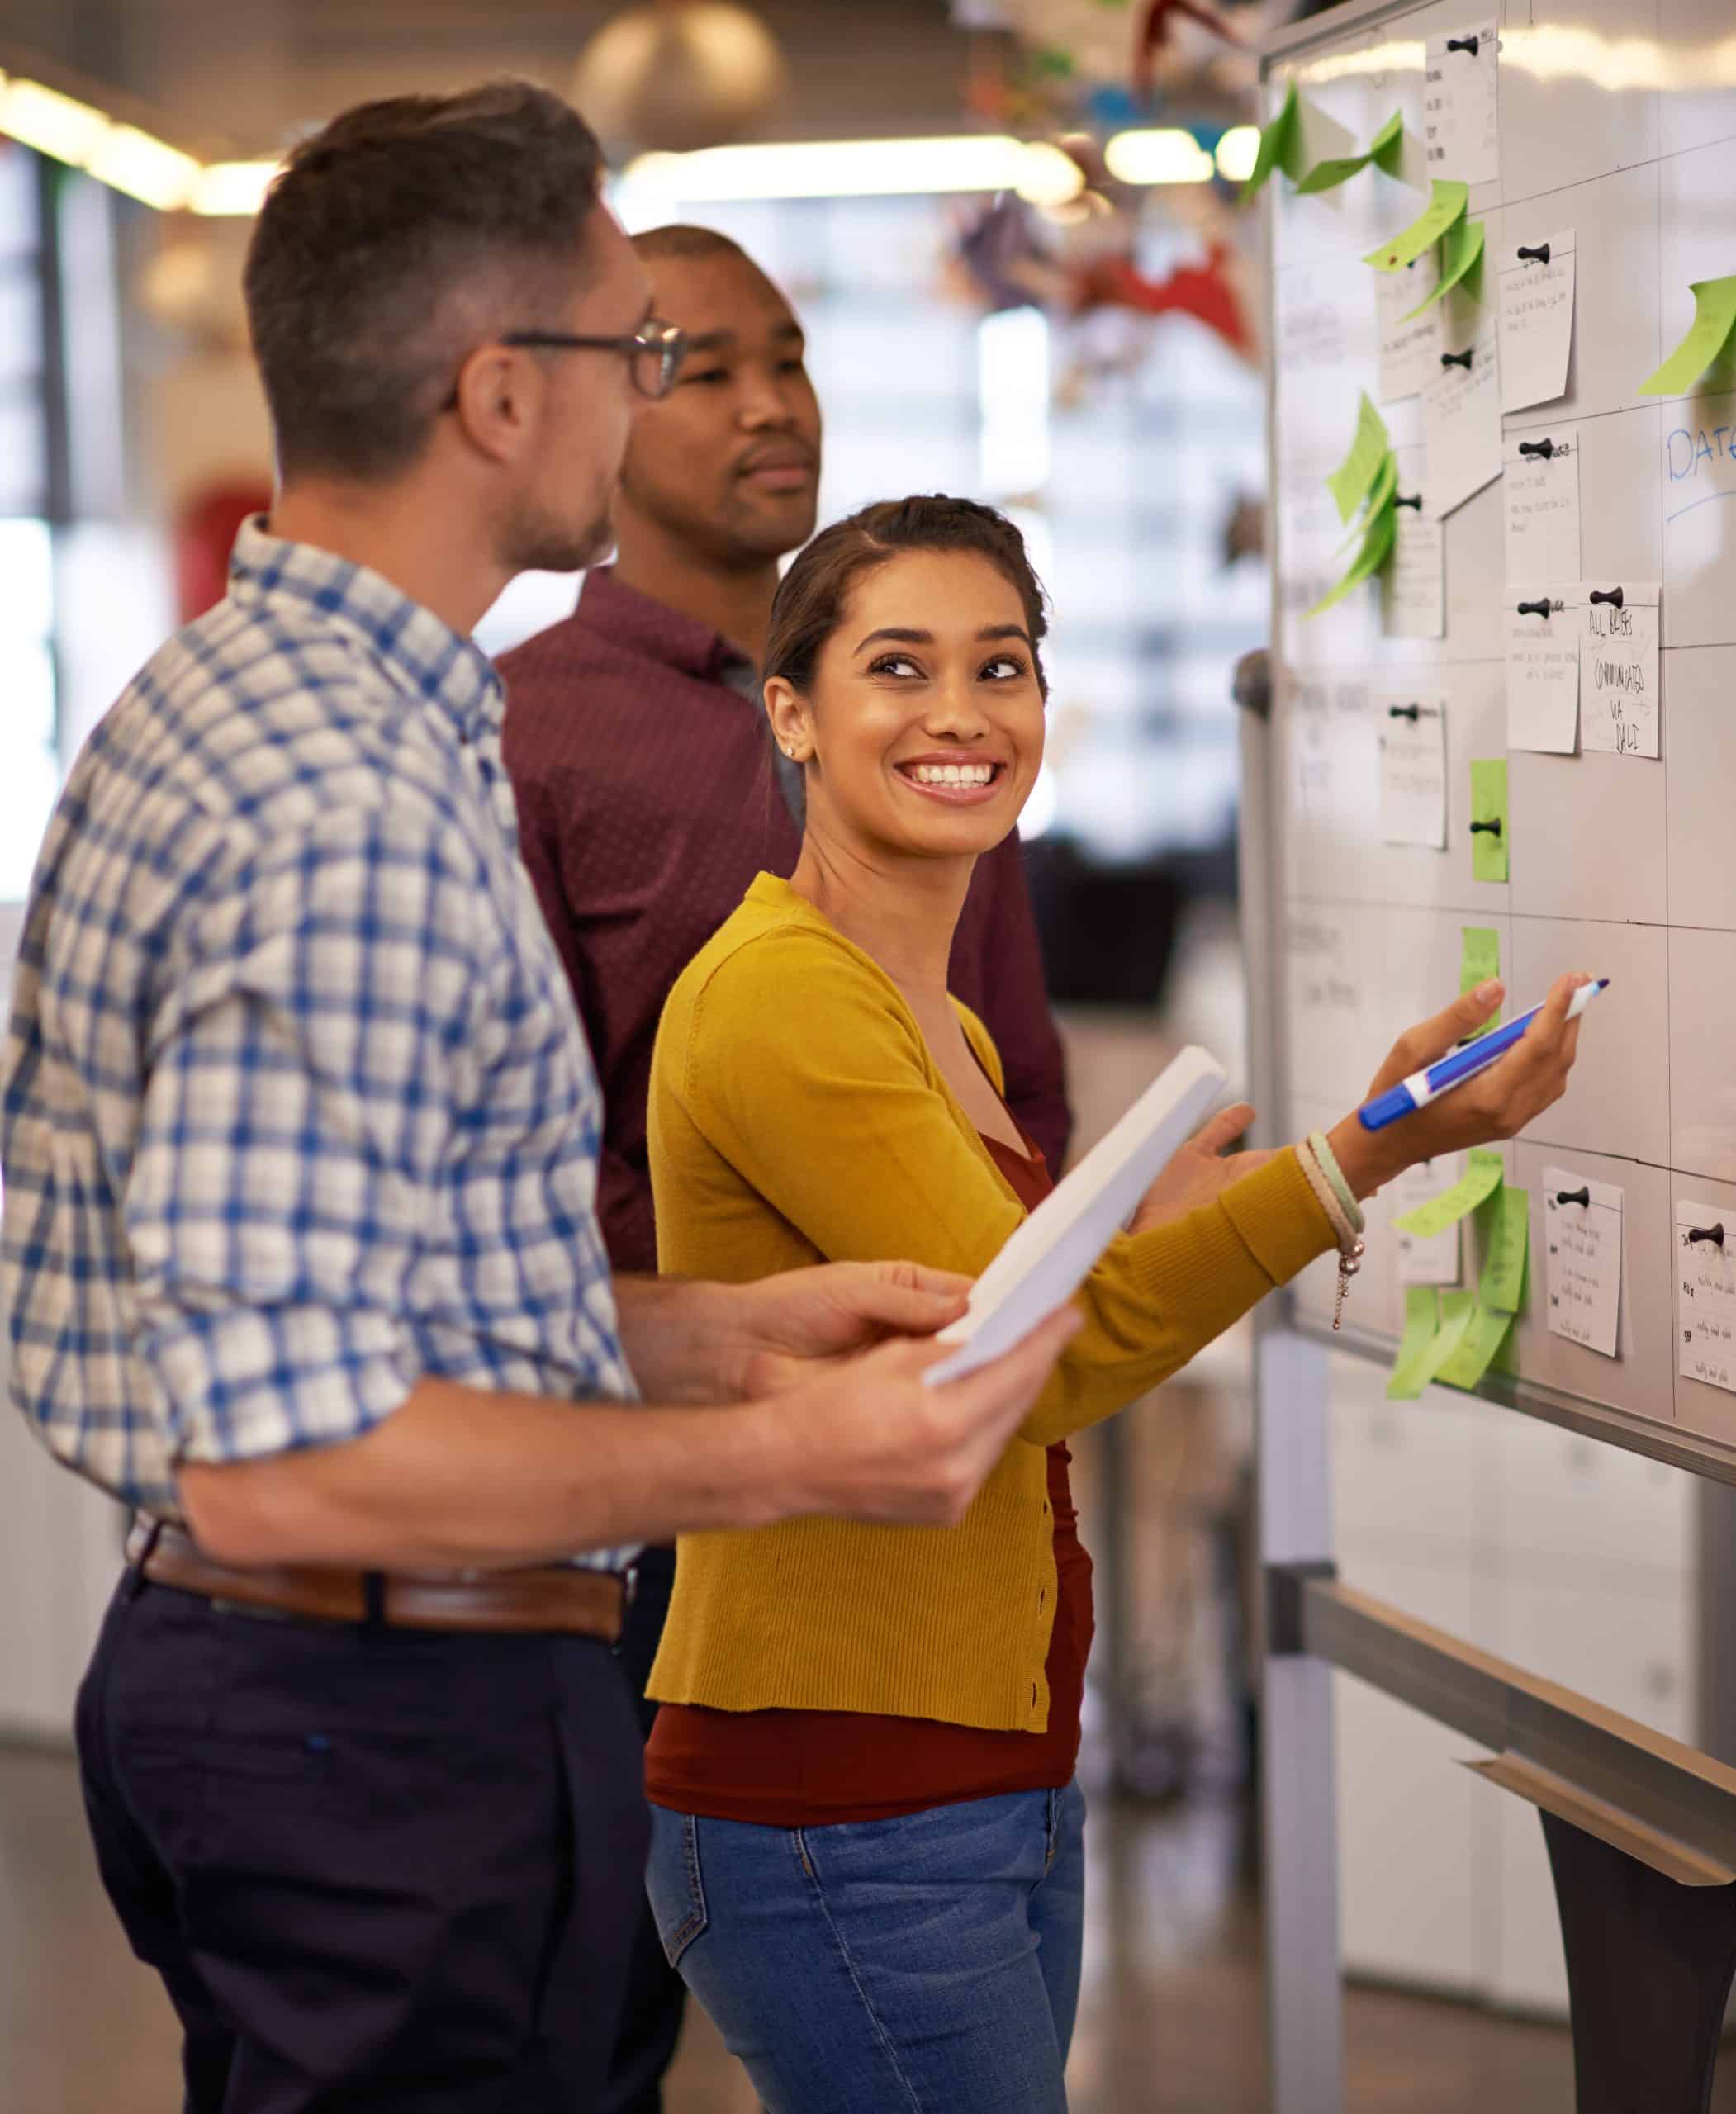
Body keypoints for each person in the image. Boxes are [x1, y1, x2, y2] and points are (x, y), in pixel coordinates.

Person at [0, 98, 1084, 2114]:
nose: (670, 402)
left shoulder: (245, 699)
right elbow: (294, 1457)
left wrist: (707, 1336)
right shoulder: (350, 804)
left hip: (319, 1689)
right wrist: (796, 1453)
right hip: (374, 1706)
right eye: (639, 355)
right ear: (503, 393)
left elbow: (360, 1296)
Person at [639, 495, 1587, 2114]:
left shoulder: (938, 1017)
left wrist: (1297, 1157)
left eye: (999, 665)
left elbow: (1037, 1291)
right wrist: (1370, 1154)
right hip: (838, 1798)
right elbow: (1028, 1359)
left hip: (974, 1779)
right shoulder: (785, 992)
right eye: (898, 665)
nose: (961, 713)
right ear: (790, 710)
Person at [498, 225, 1072, 2109]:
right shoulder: (530, 724)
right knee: (585, 2023)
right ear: (587, 402)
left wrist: (1017, 1240)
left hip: (922, 1467)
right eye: (702, 364)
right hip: (631, 1493)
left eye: (791, 357)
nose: (769, 405)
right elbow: (496, 1152)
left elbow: (1022, 1087)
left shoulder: (919, 732)